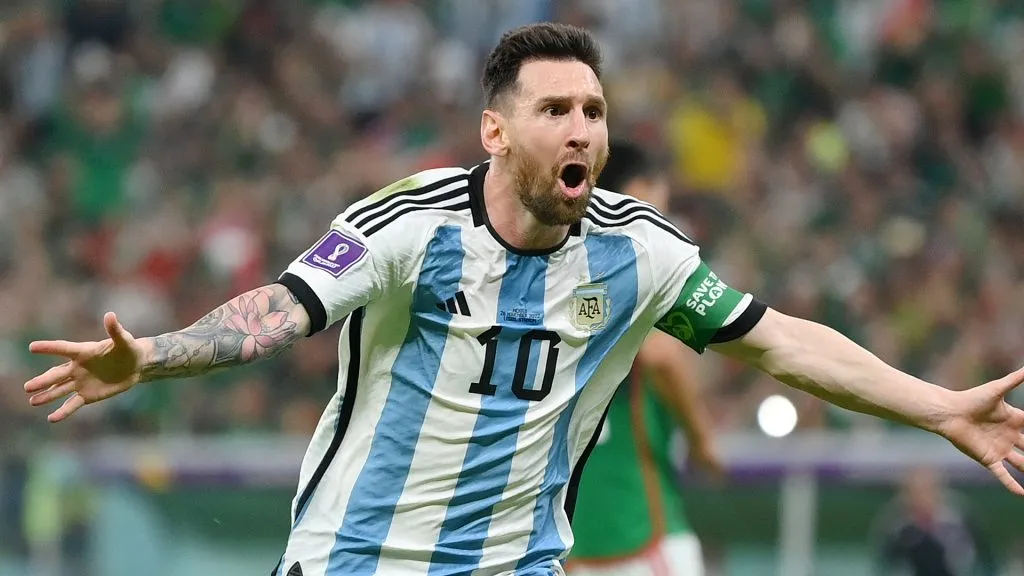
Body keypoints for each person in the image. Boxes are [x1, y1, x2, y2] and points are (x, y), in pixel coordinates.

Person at [22, 22, 1024, 576]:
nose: (581, 127)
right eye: (555, 109)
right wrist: (151, 355)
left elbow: (779, 343)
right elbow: (276, 312)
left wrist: (937, 406)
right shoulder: (404, 226)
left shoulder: (641, 256)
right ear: (496, 133)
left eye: (593, 109)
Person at [566, 140, 722, 576]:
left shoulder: (565, 267)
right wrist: (701, 440)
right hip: (635, 525)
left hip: (573, 530)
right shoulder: (628, 264)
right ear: (635, 190)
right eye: (656, 187)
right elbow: (661, 357)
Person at [872, 467, 996, 576]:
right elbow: (886, 564)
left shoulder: (959, 517)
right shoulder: (896, 526)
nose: (922, 497)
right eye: (916, 491)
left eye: (928, 489)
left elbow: (984, 558)